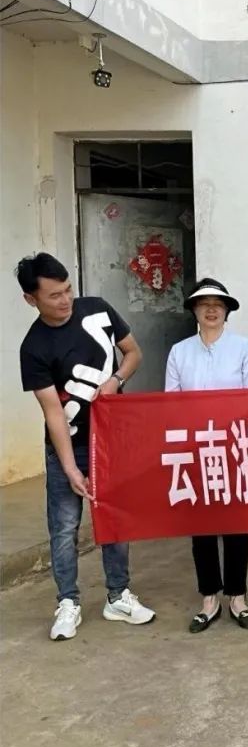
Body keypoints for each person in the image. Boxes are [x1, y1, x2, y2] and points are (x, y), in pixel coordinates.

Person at [16, 252, 156, 640]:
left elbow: (133, 353)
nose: (65, 300)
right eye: (54, 295)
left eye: (68, 290)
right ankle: (68, 603)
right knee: (64, 528)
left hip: (112, 442)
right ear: (31, 299)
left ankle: (118, 596)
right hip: (69, 446)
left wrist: (115, 380)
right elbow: (54, 414)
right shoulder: (34, 348)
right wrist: (70, 468)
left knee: (114, 520)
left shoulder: (97, 310)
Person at [165, 278, 248, 633]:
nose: (211, 309)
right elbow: (171, 402)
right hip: (194, 448)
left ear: (227, 310)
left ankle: (238, 597)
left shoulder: (243, 348)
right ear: (194, 310)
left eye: (217, 304)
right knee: (201, 525)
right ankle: (209, 598)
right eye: (203, 303)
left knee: (236, 524)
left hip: (233, 446)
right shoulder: (179, 352)